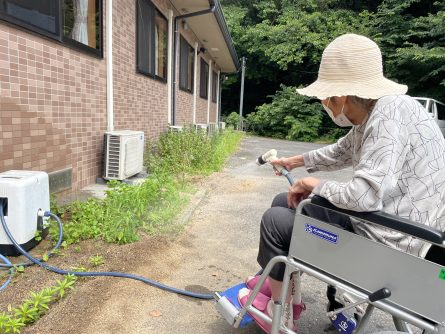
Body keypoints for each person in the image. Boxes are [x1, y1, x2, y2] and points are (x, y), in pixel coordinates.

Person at [237, 33, 445, 332]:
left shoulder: (387, 116)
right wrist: (294, 163)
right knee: (284, 202)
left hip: (390, 245)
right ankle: (285, 292)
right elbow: (340, 151)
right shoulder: (382, 111)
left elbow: (363, 197)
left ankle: (279, 309)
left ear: (340, 96)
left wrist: (313, 184)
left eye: (326, 97)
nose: (324, 103)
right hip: (395, 229)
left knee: (274, 221)